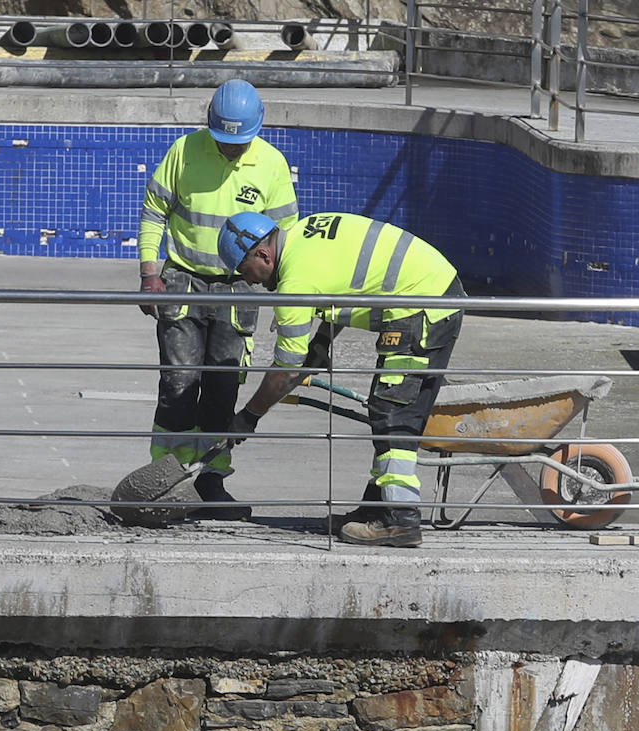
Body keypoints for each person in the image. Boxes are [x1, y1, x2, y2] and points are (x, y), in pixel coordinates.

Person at [217, 211, 465, 547]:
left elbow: (286, 370)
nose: (252, 282)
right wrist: (320, 344)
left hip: (421, 308)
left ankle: (401, 519)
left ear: (263, 254)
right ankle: (375, 510)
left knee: (393, 413)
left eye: (247, 271)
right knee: (388, 406)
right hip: (432, 294)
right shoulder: (306, 232)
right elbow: (345, 284)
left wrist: (248, 417)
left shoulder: (294, 284)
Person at [138, 78, 299, 520]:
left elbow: (288, 239)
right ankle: (163, 478)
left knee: (223, 387)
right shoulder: (184, 152)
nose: (230, 149)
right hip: (184, 284)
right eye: (223, 140)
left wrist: (285, 298)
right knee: (178, 383)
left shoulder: (272, 164)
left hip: (241, 288)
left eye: (238, 143)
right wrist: (150, 273)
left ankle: (210, 478)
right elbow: (155, 212)